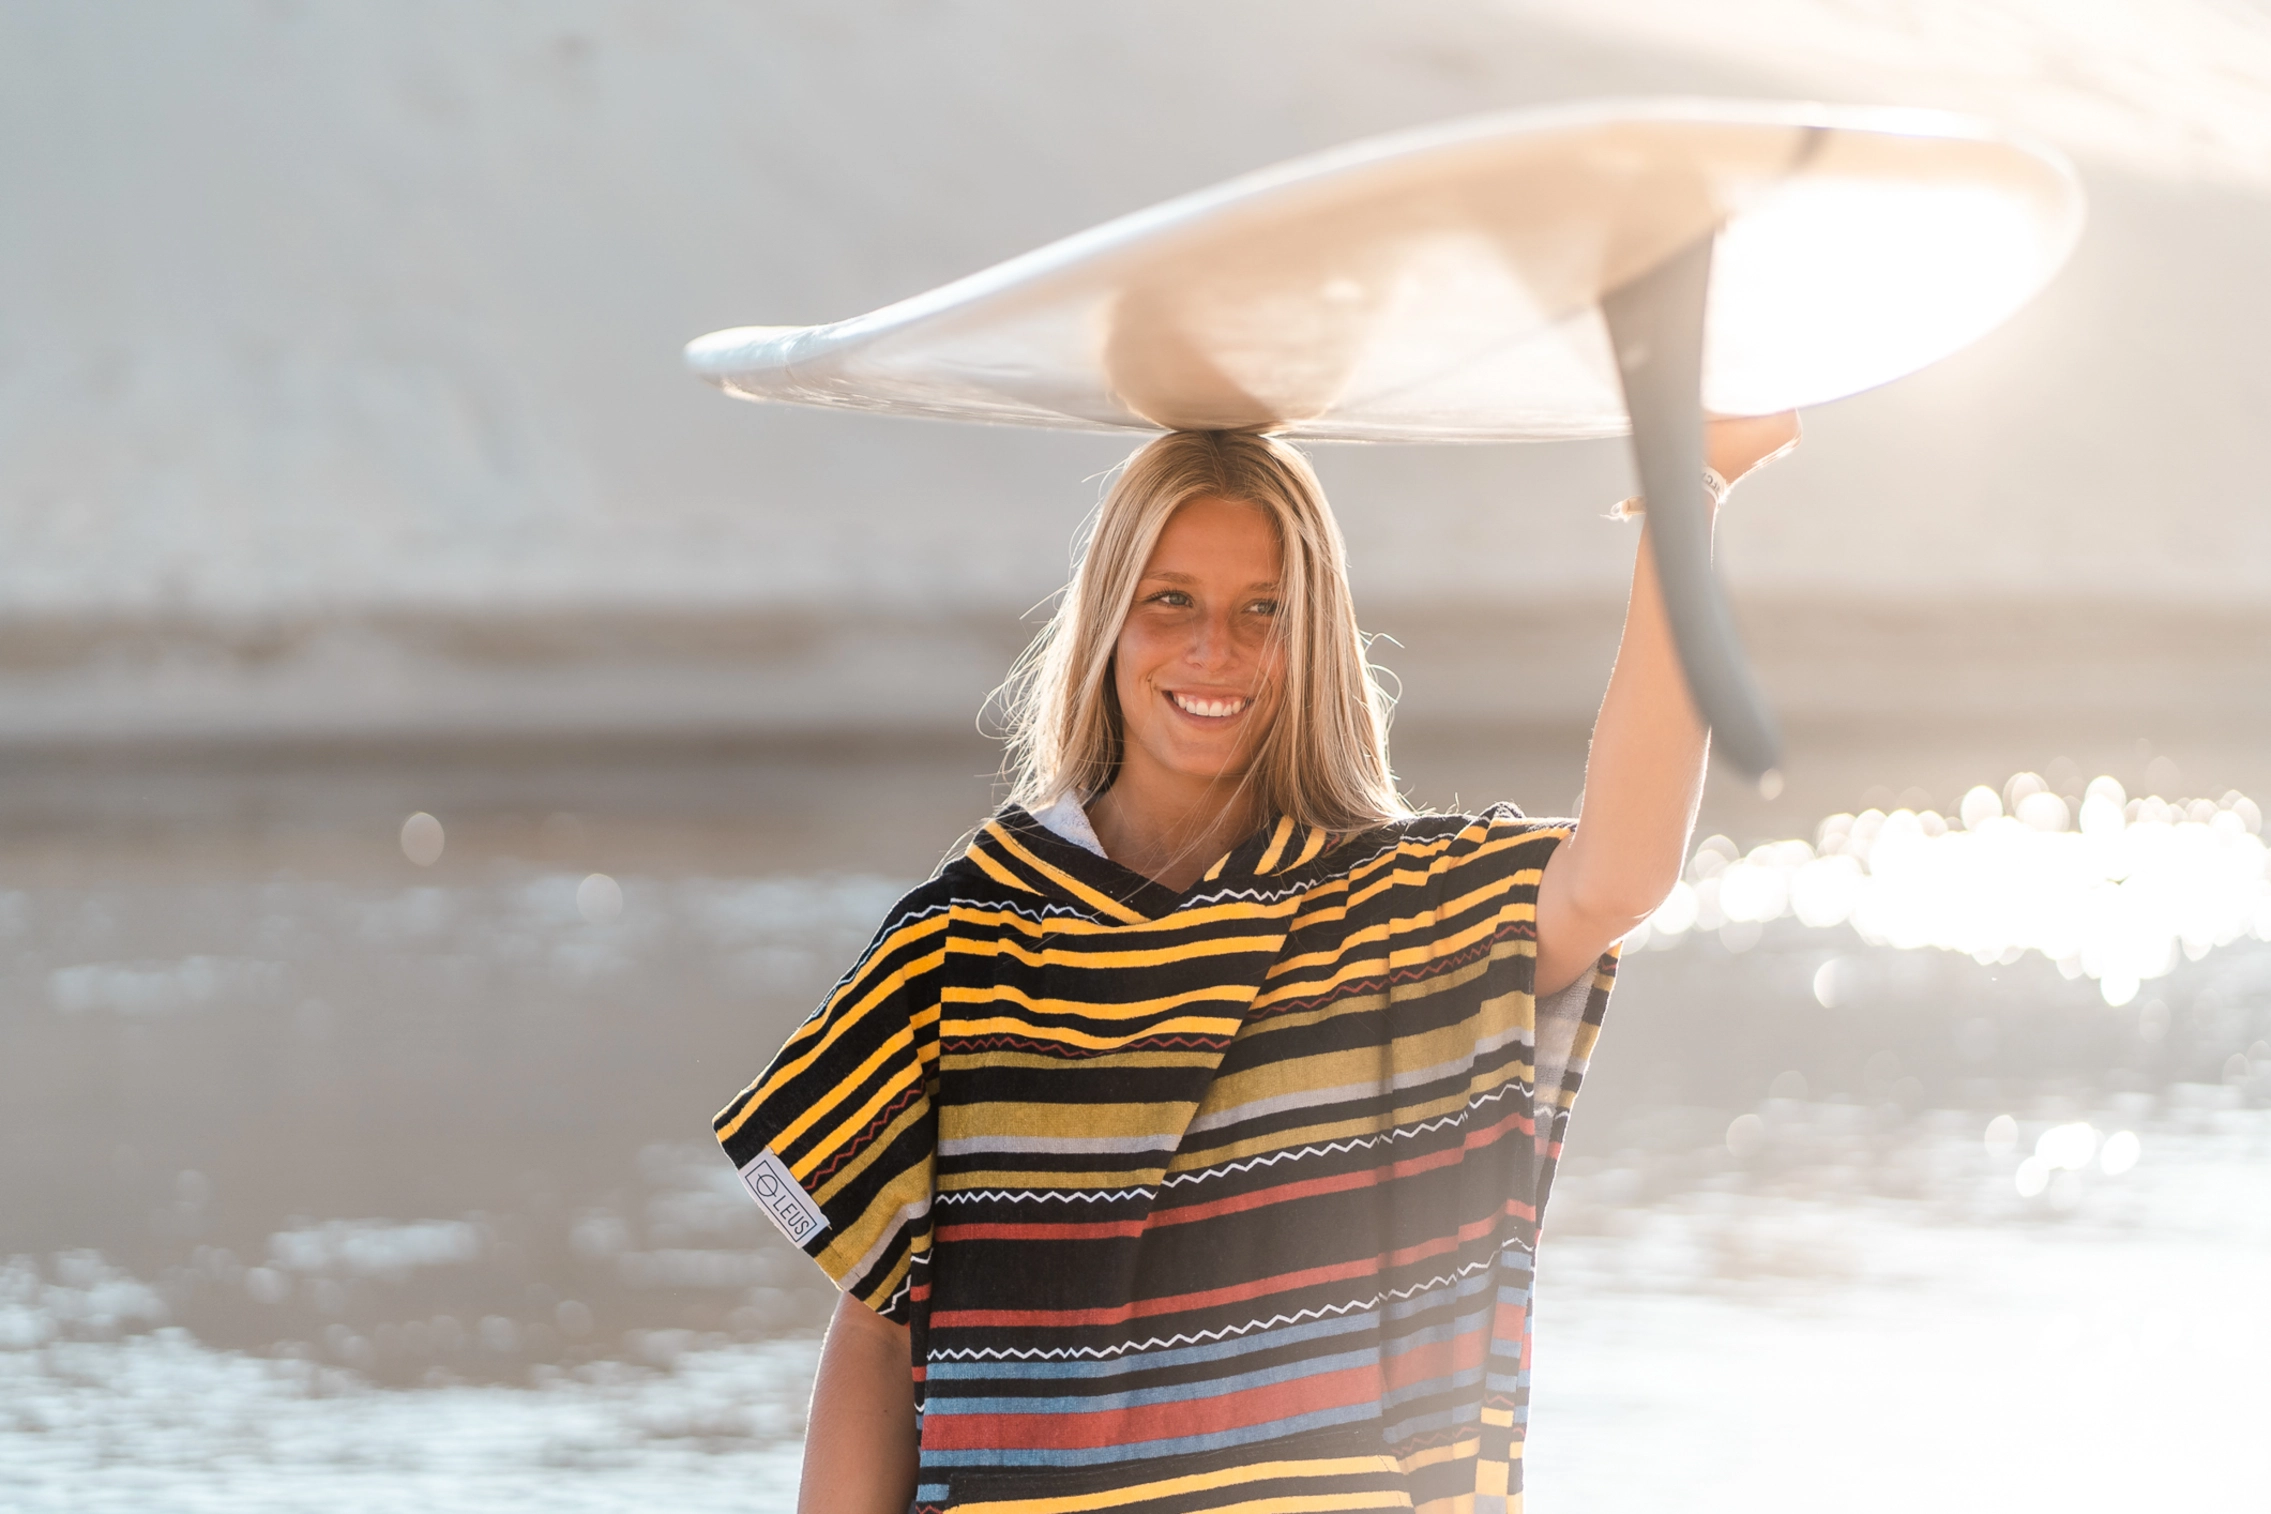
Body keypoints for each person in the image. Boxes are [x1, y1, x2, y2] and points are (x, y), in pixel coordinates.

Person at [715, 413, 1800, 1514]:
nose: (1212, 649)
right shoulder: (962, 947)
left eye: (1262, 610)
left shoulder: (1384, 912)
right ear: (1107, 619)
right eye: (1170, 598)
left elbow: (1618, 872)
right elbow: (878, 1321)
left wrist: (1687, 490)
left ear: (1314, 635)